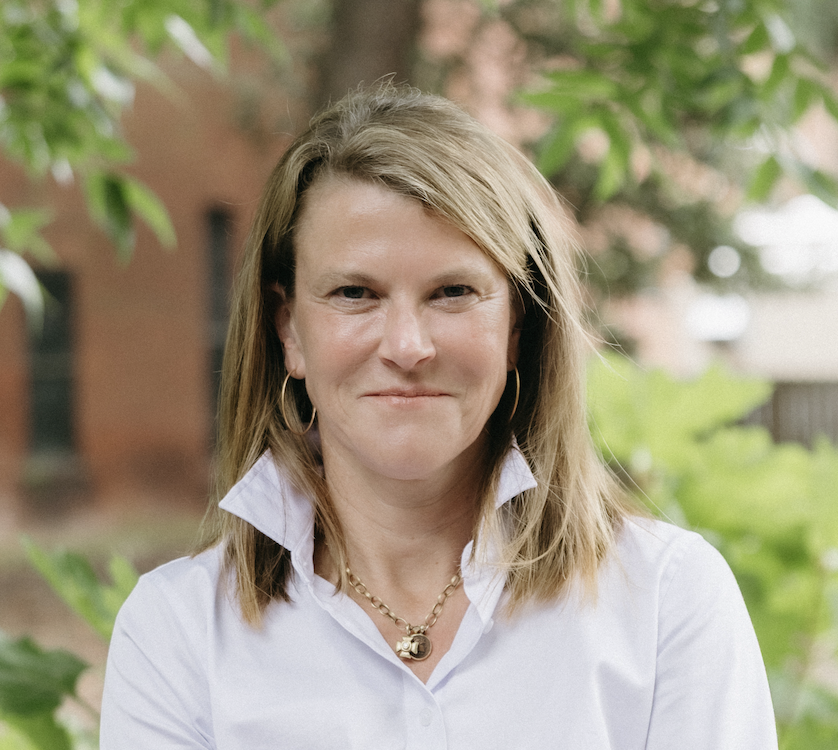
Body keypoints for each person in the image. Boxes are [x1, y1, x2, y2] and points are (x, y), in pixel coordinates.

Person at [100, 83, 777, 748]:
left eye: (453, 292)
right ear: (290, 332)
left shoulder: (667, 601)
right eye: (355, 293)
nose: (407, 346)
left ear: (517, 325)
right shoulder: (177, 635)